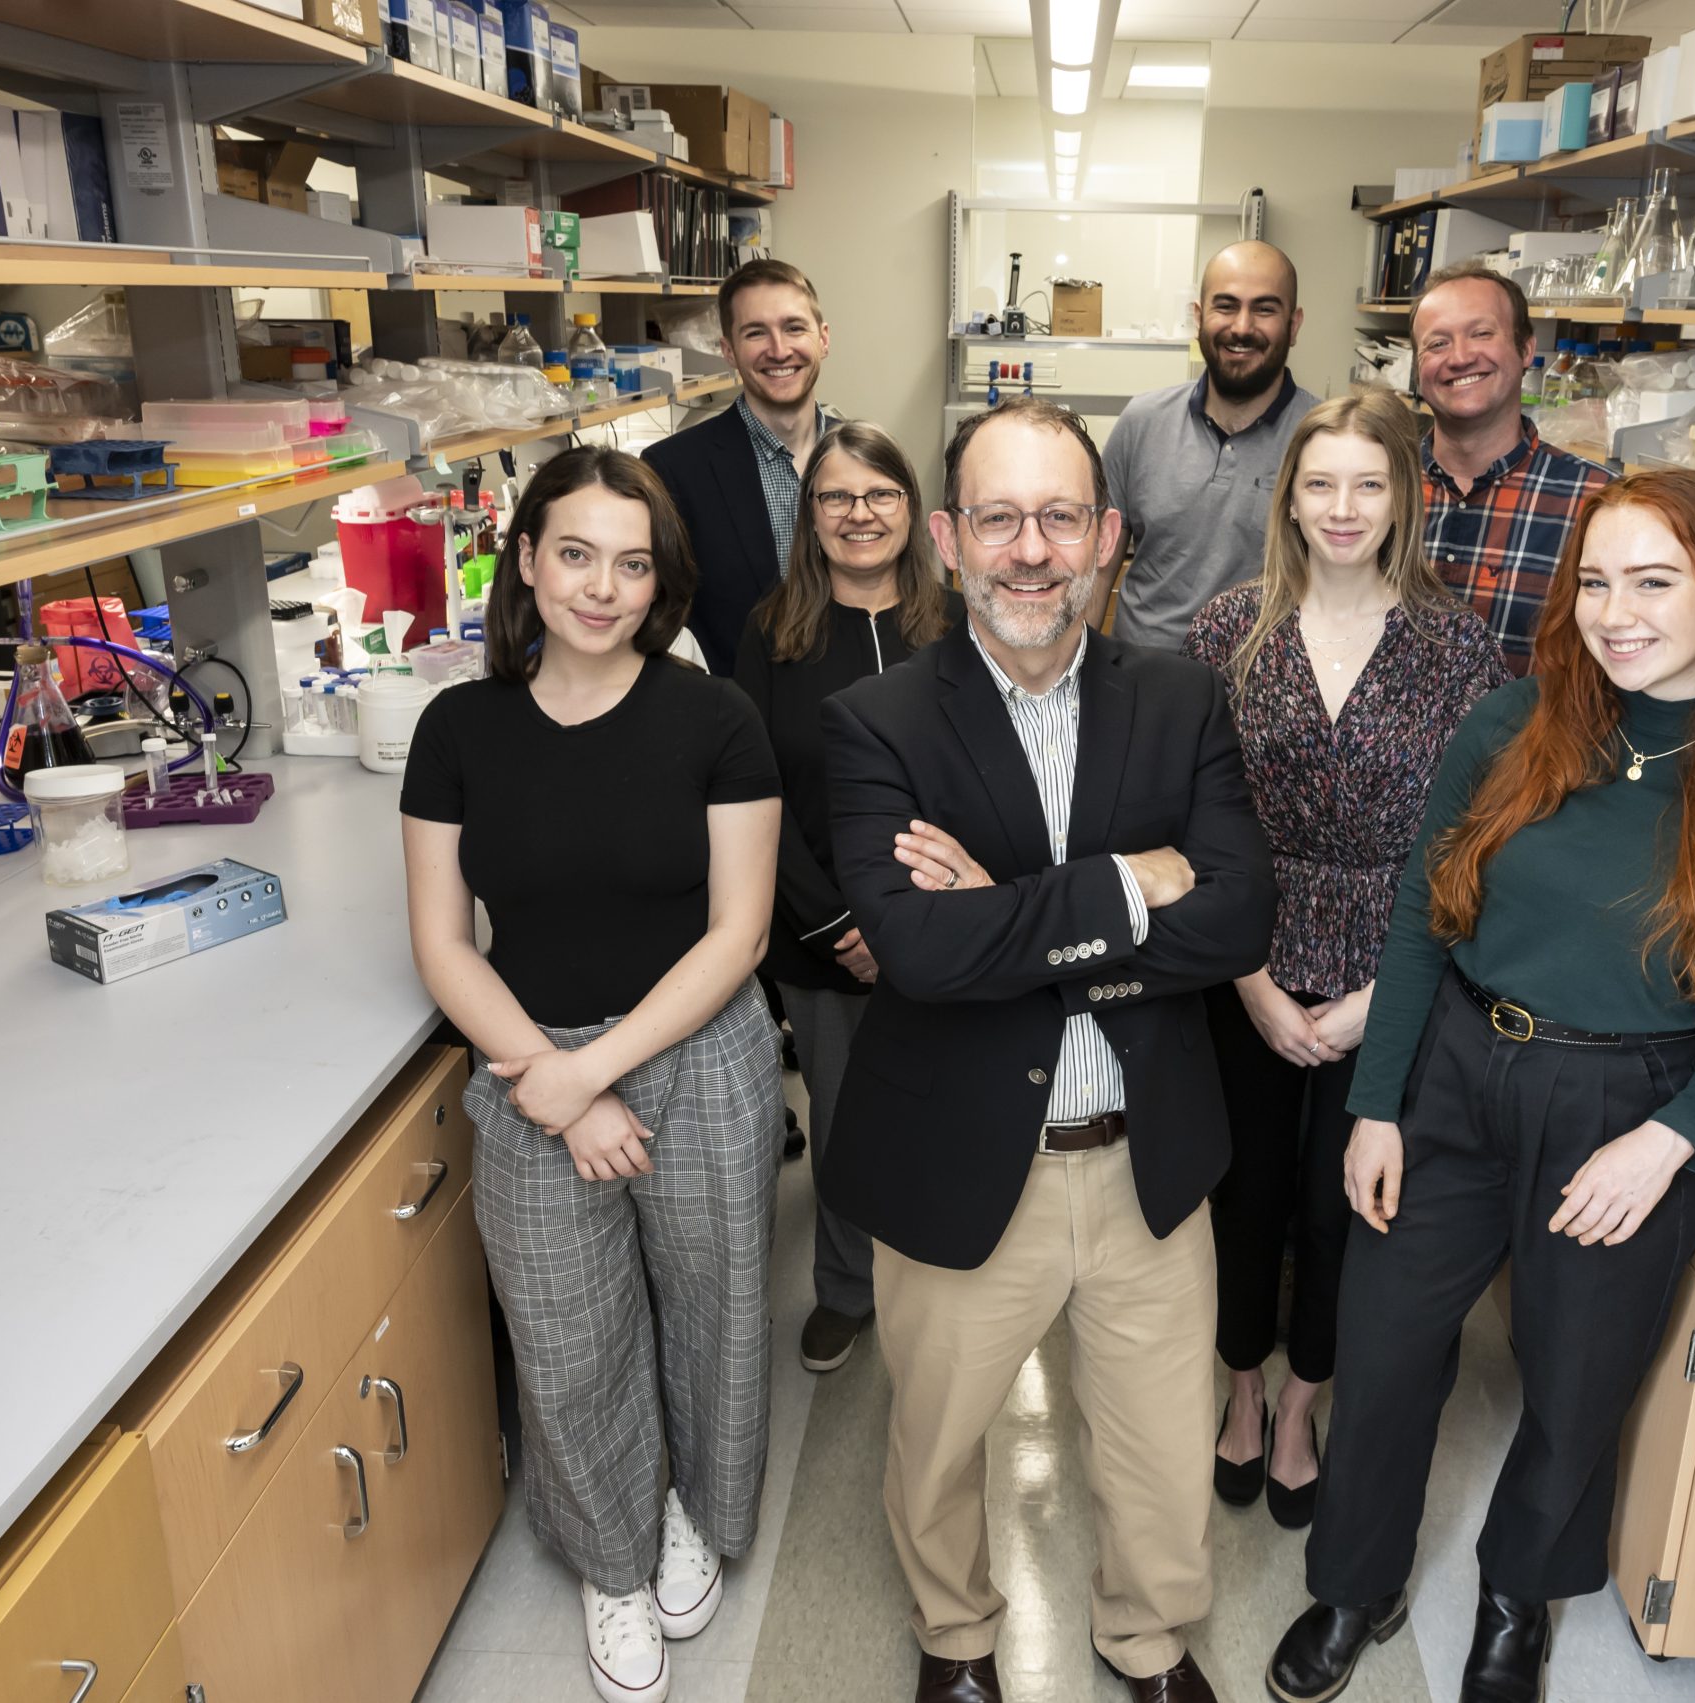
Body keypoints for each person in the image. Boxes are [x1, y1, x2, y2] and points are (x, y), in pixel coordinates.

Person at [1264, 468, 1695, 1703]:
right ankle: (1354, 1581)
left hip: (1624, 1104)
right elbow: (1427, 926)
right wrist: (1377, 1103)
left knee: (1579, 1377)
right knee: (1382, 1349)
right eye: (1595, 580)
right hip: (1457, 1074)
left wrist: (1670, 1141)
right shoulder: (1511, 726)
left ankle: (1512, 1597)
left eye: (1653, 581)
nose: (1614, 612)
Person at [818, 397, 1276, 1703]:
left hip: (1146, 1156)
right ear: (950, 540)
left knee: (1159, 1448)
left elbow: (1241, 914)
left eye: (1061, 517)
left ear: (1109, 537)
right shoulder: (877, 721)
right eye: (1001, 518)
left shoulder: (1183, 700)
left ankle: (1146, 1640)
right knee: (939, 1434)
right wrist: (1133, 884)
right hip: (959, 1154)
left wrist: (1008, 904)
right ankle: (957, 1635)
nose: (1033, 550)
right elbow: (917, 952)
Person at [398, 446, 786, 1703]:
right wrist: (547, 1075)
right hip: (528, 1063)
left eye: (633, 563)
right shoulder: (459, 725)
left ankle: (685, 1504)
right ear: (524, 558)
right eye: (575, 553)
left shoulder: (715, 718)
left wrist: (594, 1072)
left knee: (715, 1311)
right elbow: (443, 941)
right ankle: (610, 1557)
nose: (602, 588)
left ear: (661, 578)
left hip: (697, 1054)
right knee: (568, 1342)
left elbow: (739, 932)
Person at [1180, 391, 1506, 1532]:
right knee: (1245, 1199)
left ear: (1405, 496)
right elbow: (1194, 824)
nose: (1343, 507)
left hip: (1394, 964)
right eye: (1320, 483)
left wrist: (1382, 998)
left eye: (1369, 483)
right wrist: (1252, 981)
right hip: (1247, 958)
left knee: (1340, 1213)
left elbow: (1474, 844)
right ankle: (1237, 1389)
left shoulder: (1455, 645)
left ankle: (1301, 1403)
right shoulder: (1228, 632)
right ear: (1288, 496)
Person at [732, 421, 959, 1375]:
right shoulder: (772, 629)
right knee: (842, 1123)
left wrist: (933, 915)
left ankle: (951, 1282)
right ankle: (846, 1287)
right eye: (836, 497)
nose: (859, 513)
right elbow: (752, 794)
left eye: (880, 494)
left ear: (914, 510)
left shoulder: (958, 621)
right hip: (822, 933)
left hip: (952, 925)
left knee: (952, 1115)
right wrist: (838, 925)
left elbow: (996, 777)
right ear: (809, 515)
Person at [1101, 240, 1319, 651]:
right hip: (1142, 684)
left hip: (1263, 695)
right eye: (1226, 305)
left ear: (1294, 325)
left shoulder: (1323, 438)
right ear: (1198, 317)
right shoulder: (1141, 422)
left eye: (1265, 308)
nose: (1241, 326)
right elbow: (1096, 571)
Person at [642, 258, 842, 674]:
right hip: (738, 721)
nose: (779, 349)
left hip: (858, 709)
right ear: (728, 351)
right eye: (756, 333)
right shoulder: (672, 471)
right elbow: (658, 620)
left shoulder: (865, 458)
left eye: (794, 327)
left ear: (823, 339)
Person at [1411, 259, 1611, 675]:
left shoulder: (1598, 503)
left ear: (1525, 350)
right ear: (1417, 366)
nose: (1460, 357)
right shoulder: (1375, 488)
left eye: (1481, 333)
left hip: (1525, 742)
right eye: (1437, 343)